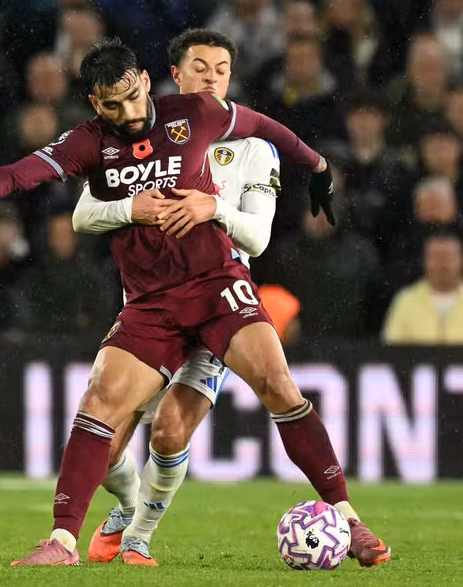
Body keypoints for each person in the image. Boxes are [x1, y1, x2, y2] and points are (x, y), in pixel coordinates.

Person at [0, 37, 387, 568]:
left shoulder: (195, 113)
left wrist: (318, 167)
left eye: (133, 97)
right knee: (98, 404)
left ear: (143, 80)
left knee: (277, 385)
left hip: (217, 285)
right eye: (113, 106)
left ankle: (350, 520)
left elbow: (266, 127)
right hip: (152, 302)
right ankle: (62, 542)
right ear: (96, 103)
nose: (130, 114)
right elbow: (24, 172)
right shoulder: (90, 142)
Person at [69, 28, 296, 565]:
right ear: (173, 75)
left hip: (218, 304)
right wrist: (131, 208)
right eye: (200, 67)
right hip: (151, 303)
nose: (211, 78)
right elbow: (84, 214)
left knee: (169, 432)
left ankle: (139, 537)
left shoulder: (254, 148)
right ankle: (129, 506)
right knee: (104, 445)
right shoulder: (135, 135)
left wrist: (213, 208)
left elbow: (258, 240)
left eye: (221, 69)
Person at [383, 230, 463, 344]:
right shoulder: (405, 300)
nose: (443, 263)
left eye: (449, 257)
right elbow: (391, 347)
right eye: (436, 257)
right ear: (424, 261)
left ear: (462, 260)